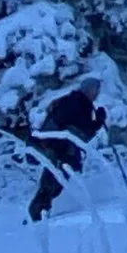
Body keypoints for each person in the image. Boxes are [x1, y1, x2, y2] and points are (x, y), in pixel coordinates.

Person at [25, 80, 106, 222]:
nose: (97, 93)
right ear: (89, 90)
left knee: (55, 184)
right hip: (59, 151)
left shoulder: (81, 104)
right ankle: (36, 217)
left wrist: (97, 122)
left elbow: (82, 133)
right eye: (96, 90)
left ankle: (39, 216)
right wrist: (54, 147)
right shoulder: (75, 104)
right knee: (51, 184)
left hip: (63, 151)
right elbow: (70, 129)